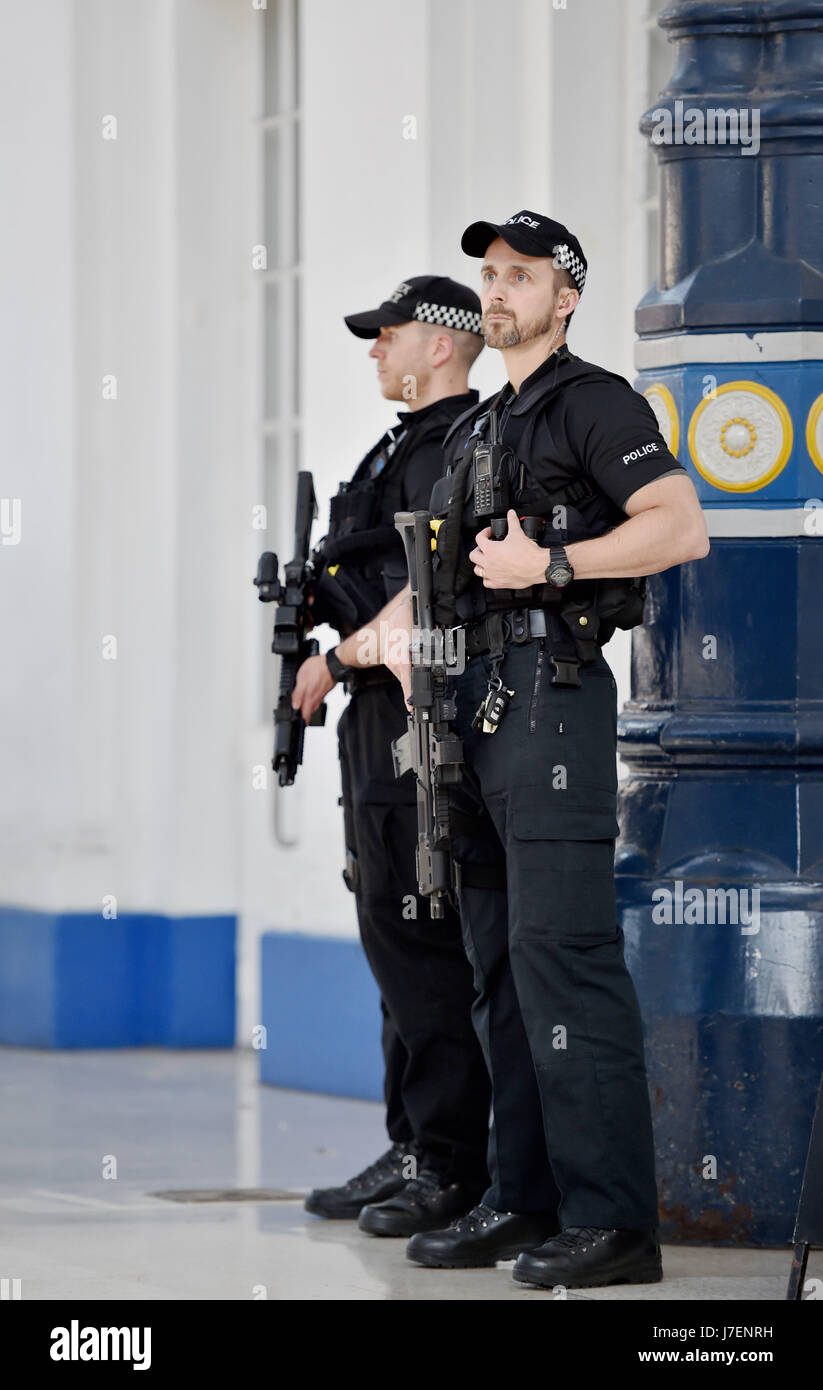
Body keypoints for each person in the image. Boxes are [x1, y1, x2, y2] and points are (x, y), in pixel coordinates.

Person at [324, 210, 710, 1287]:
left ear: (565, 296)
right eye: (488, 274)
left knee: (562, 958)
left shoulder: (591, 402)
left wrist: (552, 565)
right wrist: (378, 643)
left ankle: (613, 1223)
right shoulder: (481, 424)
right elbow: (436, 574)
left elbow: (679, 524)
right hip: (471, 714)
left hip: (553, 701)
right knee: (493, 968)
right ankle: (522, 1196)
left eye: (521, 275)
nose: (497, 290)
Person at [294, 276, 492, 1238]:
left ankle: (450, 1162)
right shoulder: (403, 444)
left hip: (418, 715)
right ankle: (412, 1139)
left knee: (420, 937)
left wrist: (335, 657)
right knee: (388, 928)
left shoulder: (455, 445)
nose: (374, 350)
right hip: (376, 712)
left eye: (389, 334)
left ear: (446, 344)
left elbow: (428, 591)